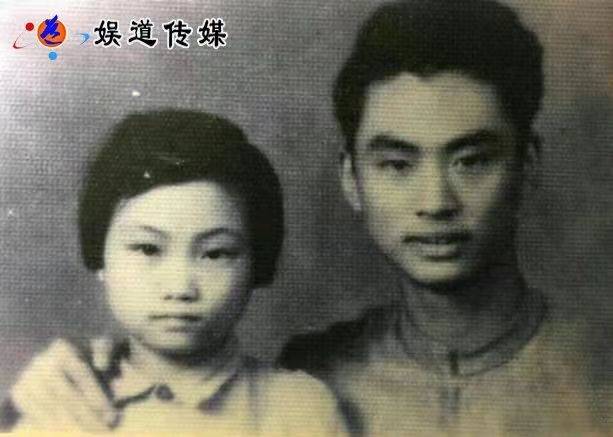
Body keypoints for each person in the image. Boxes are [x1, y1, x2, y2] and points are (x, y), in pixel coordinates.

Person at [3, 1, 607, 435]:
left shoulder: (600, 366)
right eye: (397, 164)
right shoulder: (317, 371)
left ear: (528, 165)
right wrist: (52, 385)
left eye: (472, 161)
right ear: (352, 178)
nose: (436, 201)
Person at [0, 109, 346, 435]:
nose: (180, 288)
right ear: (100, 256)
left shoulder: (300, 409)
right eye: (148, 249)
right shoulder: (60, 398)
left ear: (257, 263)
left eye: (215, 253)